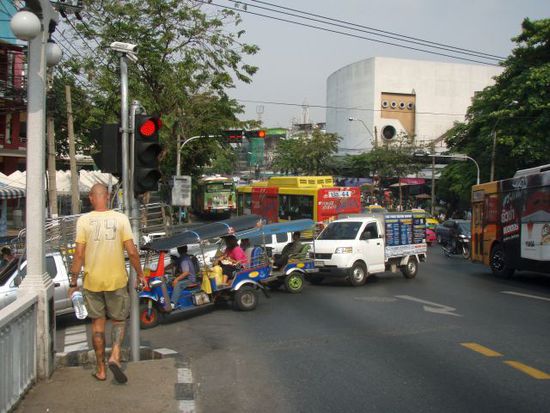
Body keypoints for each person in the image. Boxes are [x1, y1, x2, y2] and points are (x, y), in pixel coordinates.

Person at [68, 184, 145, 384]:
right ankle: (115, 354)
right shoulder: (121, 219)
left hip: (92, 282)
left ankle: (101, 370)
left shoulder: (84, 221)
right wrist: (141, 274)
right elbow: (132, 251)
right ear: (108, 197)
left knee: (97, 326)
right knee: (119, 321)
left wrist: (73, 281)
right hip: (116, 281)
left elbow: (78, 254)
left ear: (92, 198)